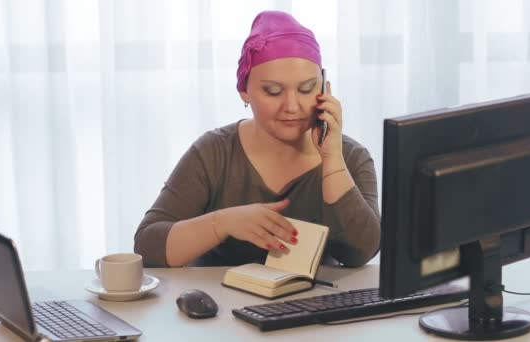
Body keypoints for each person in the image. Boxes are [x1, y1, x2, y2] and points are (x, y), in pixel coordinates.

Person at [134, 10, 380, 267]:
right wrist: (222, 223)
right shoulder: (214, 153)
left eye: (306, 89)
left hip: (316, 303)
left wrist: (332, 160)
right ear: (244, 91)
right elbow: (147, 249)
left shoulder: (350, 156)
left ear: (324, 88)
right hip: (221, 304)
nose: (292, 106)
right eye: (273, 91)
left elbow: (360, 254)